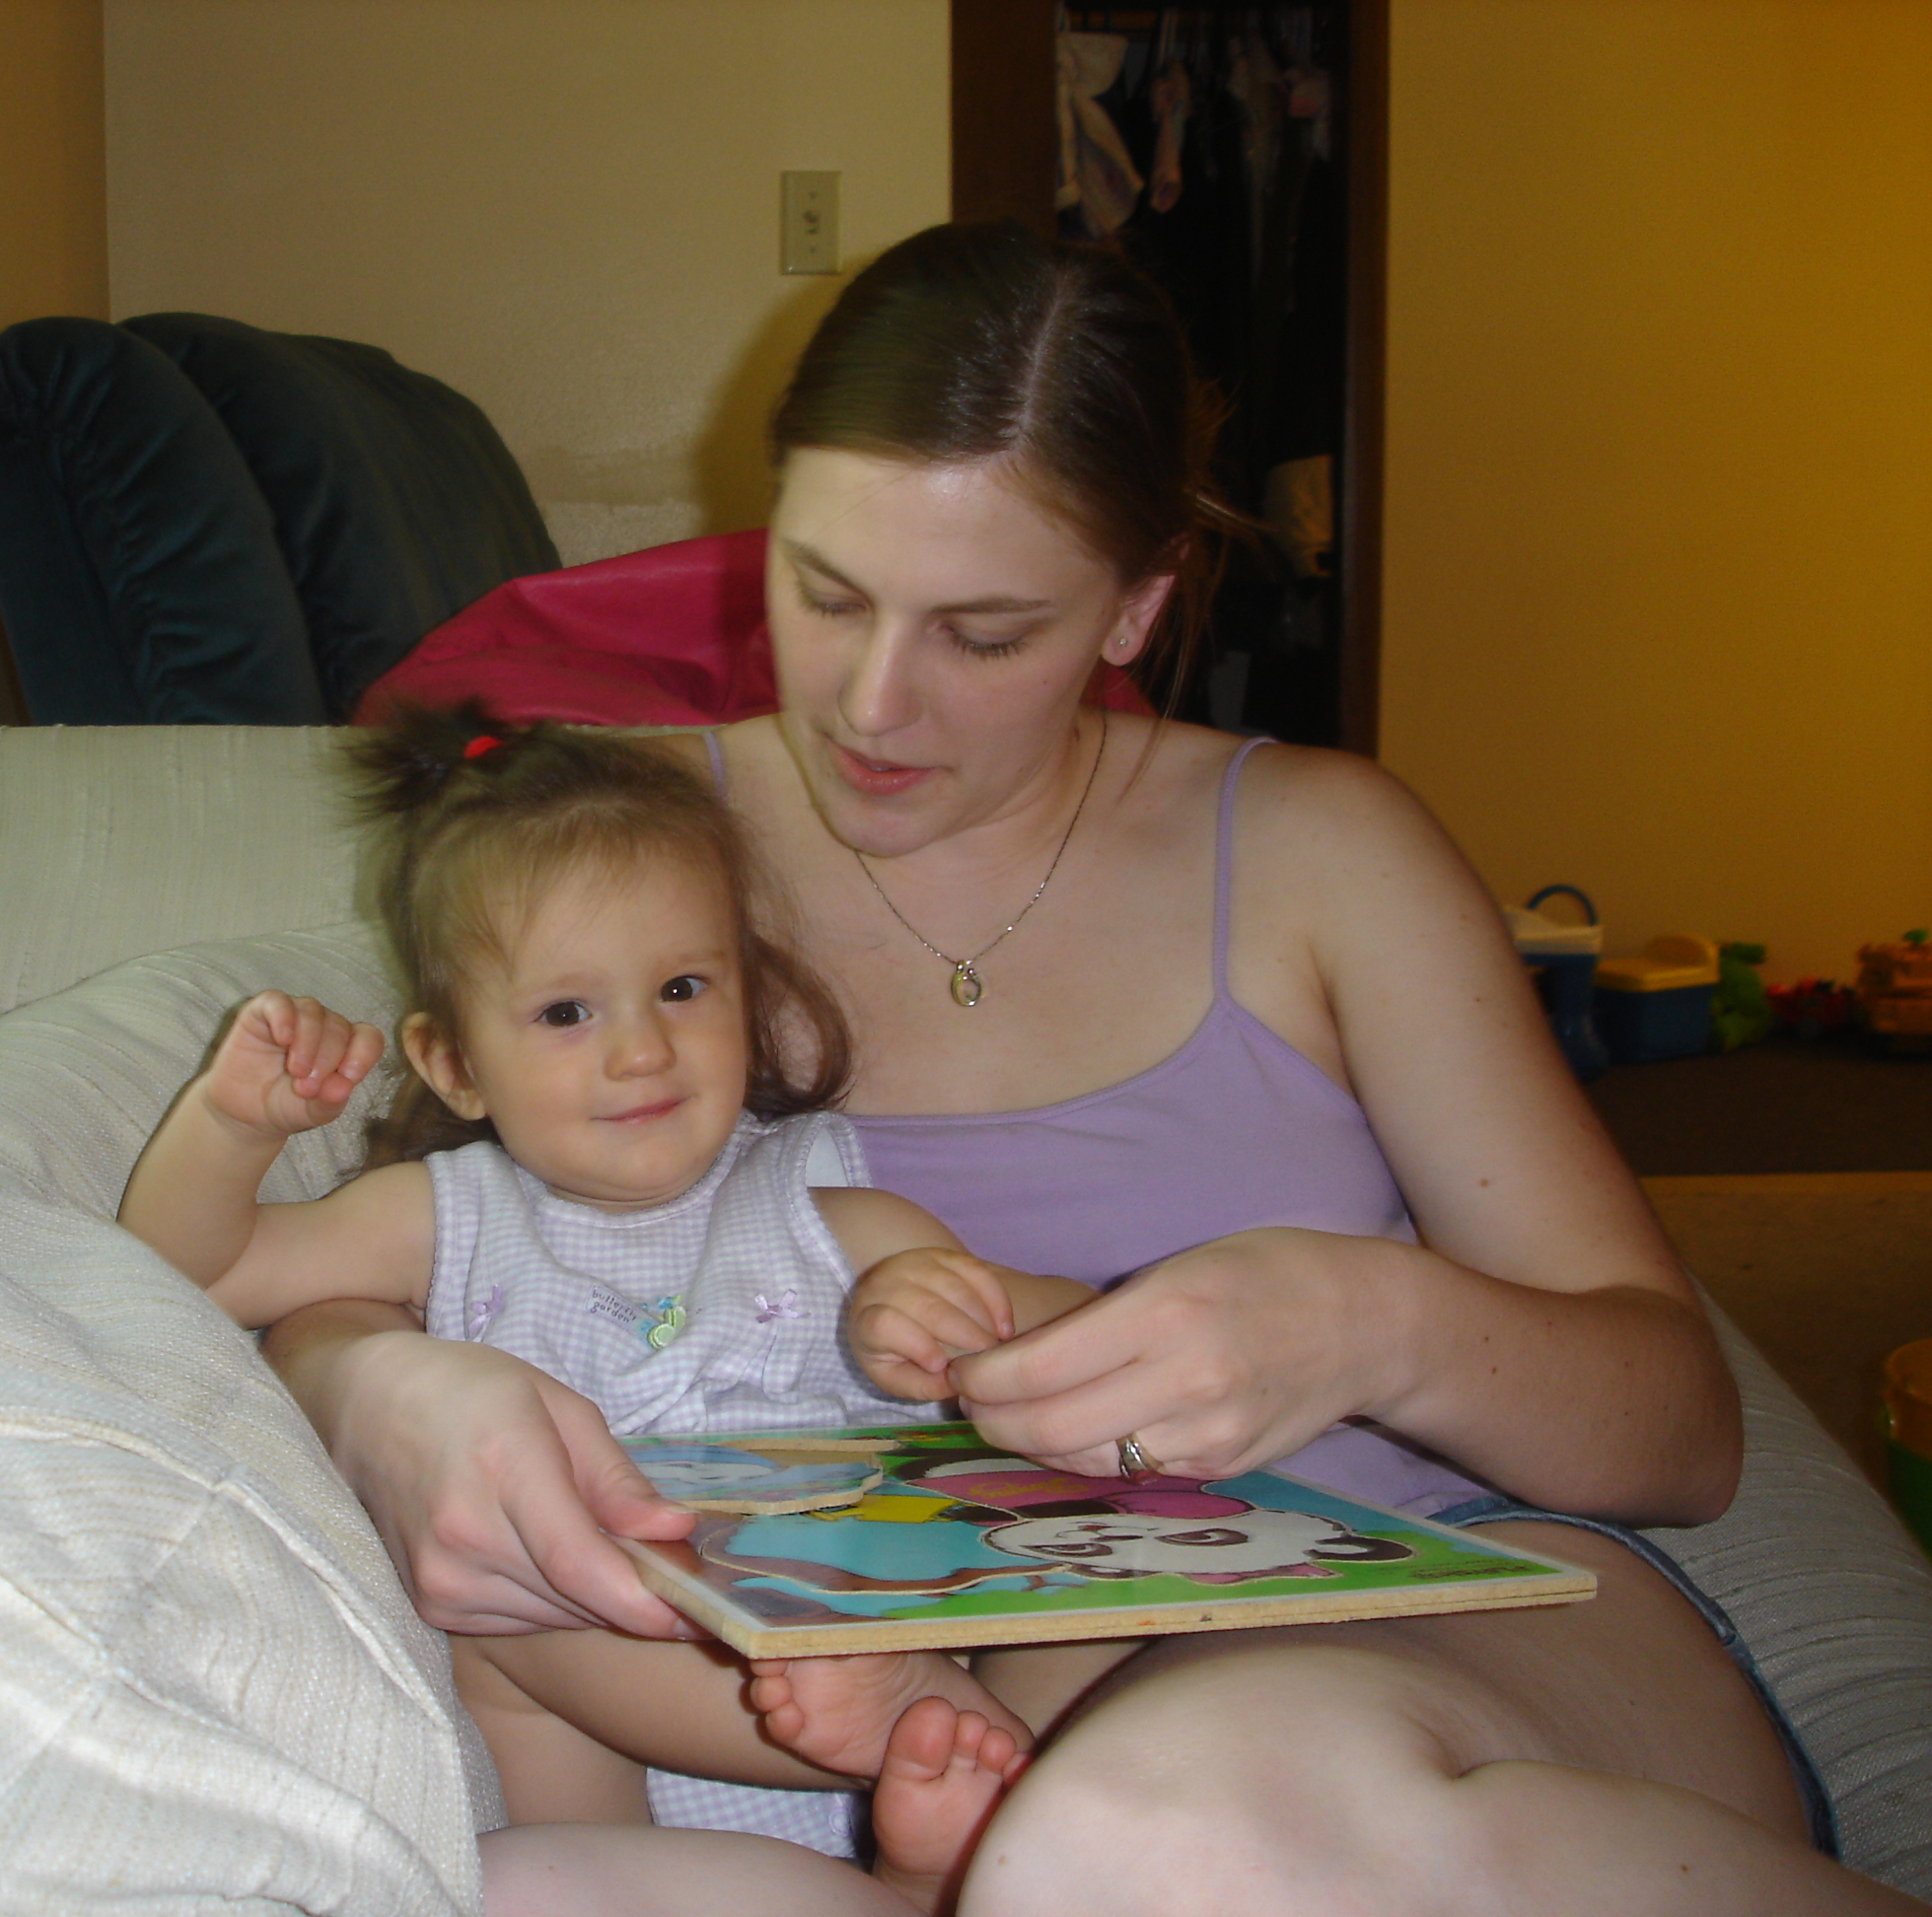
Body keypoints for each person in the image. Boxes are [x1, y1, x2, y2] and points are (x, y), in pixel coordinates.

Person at [259, 222, 1931, 1916]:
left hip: (1444, 1638)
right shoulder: (620, 848)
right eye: (825, 592)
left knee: (1151, 1832)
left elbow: (1682, 1429)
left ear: (1135, 605)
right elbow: (395, 1221)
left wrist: (1368, 1322)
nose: (873, 703)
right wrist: (364, 1387)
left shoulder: (1319, 849)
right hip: (960, 1708)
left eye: (984, 634)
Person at [119, 707, 1093, 1914]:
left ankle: (921, 1834)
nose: (640, 1052)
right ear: (454, 1064)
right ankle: (914, 1780)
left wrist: (954, 1318)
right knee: (513, 1611)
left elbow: (1071, 1352)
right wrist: (231, 1126)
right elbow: (189, 1272)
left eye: (681, 988)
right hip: (626, 1808)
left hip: (869, 1682)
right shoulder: (449, 1215)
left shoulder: (833, 1218)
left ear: (747, 998)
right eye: (567, 1014)